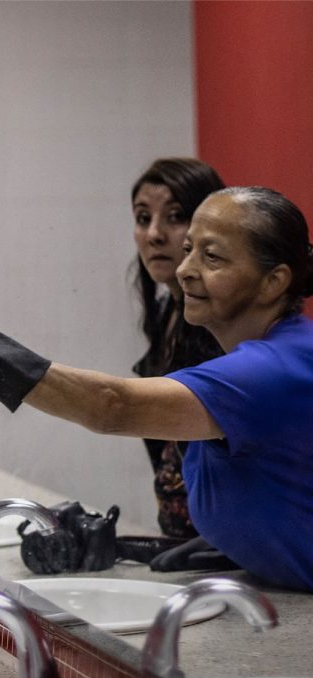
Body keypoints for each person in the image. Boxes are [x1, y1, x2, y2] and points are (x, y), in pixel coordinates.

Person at [0, 187, 313, 590]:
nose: (184, 270)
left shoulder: (271, 369)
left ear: (273, 282)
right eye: (189, 250)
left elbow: (113, 406)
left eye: (212, 257)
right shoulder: (277, 354)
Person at [128, 158, 225, 538]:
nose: (154, 234)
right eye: (142, 217)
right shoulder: (167, 313)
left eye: (175, 216)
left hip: (227, 548)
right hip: (185, 542)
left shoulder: (224, 326)